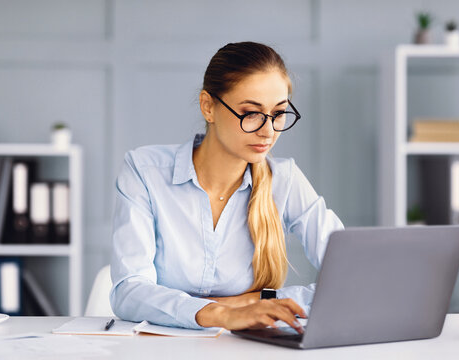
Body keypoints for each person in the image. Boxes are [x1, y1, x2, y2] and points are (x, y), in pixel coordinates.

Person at [110, 42, 344, 334]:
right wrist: (221, 313)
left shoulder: (284, 179)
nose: (268, 131)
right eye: (251, 113)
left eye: (279, 113)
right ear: (208, 106)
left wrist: (256, 302)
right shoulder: (144, 171)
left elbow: (353, 276)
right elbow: (128, 291)